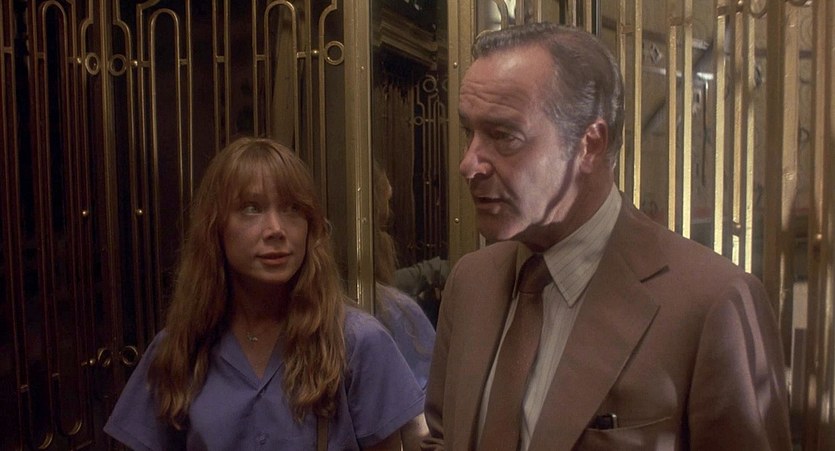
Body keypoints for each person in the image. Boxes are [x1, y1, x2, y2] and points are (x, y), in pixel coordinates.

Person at [422, 22, 791, 451]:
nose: (469, 164)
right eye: (469, 132)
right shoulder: (471, 281)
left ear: (590, 145)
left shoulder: (711, 304)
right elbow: (443, 437)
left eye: (504, 136)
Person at [104, 137, 425, 450]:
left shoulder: (357, 343)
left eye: (292, 209)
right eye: (251, 209)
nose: (276, 230)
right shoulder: (180, 348)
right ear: (216, 227)